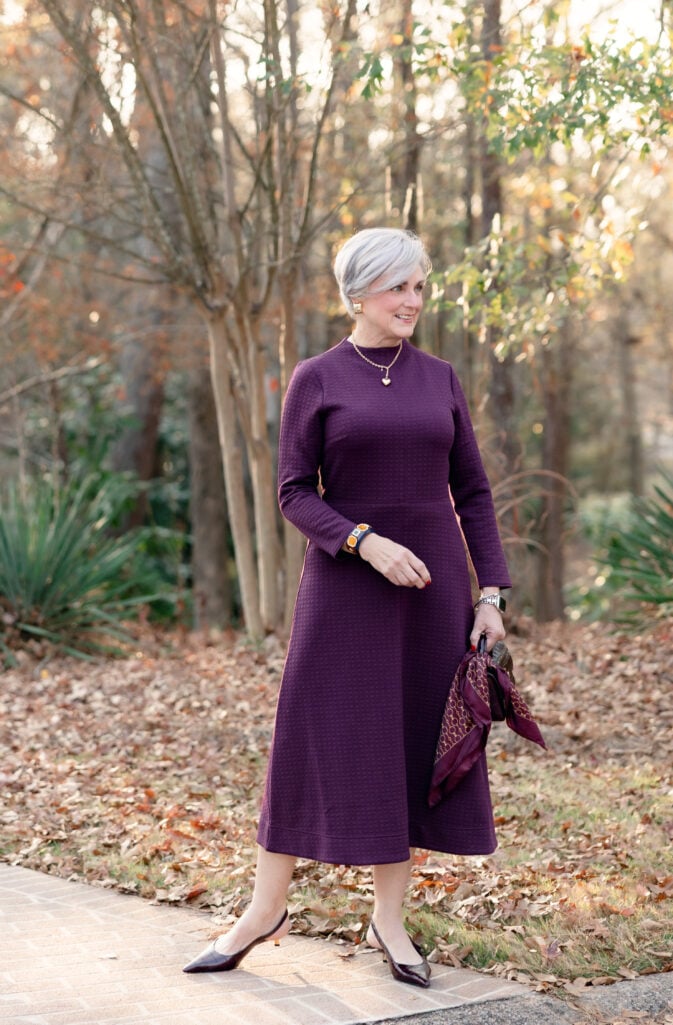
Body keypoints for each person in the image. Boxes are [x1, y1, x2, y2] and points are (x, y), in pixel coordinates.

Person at [183, 227, 511, 987]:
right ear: (360, 289)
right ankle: (264, 908)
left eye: (420, 287)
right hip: (344, 592)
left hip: (432, 596)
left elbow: (474, 491)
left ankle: (388, 921)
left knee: (406, 743)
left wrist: (489, 592)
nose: (412, 301)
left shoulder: (441, 377)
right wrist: (365, 542)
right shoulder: (317, 377)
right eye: (399, 286)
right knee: (308, 738)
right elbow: (294, 491)